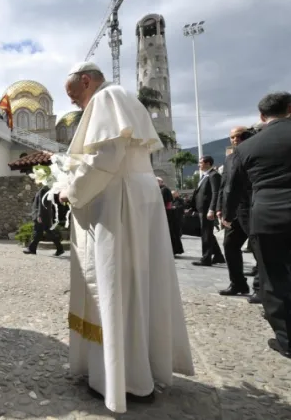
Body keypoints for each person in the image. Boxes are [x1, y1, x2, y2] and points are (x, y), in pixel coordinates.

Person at [58, 62, 194, 413]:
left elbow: (104, 159)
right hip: (136, 201)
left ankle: (125, 382)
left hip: (118, 205)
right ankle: (140, 371)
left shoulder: (106, 98)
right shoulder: (125, 99)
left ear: (86, 81)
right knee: (138, 288)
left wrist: (69, 190)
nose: (75, 104)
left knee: (116, 288)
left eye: (74, 95)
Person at [223, 91, 291, 361]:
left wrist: (227, 214)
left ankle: (288, 341)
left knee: (273, 280)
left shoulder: (246, 148)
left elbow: (234, 187)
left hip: (266, 218)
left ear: (262, 116)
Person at [216, 127, 255, 296]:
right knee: (230, 245)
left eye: (238, 136)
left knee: (258, 249)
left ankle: (261, 288)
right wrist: (220, 208)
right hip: (233, 211)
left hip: (252, 208)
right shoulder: (230, 158)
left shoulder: (254, 154)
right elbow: (224, 185)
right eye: (231, 137)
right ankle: (238, 283)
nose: (235, 139)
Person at [188, 156, 225, 266]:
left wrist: (212, 209)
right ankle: (218, 256)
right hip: (201, 209)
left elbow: (215, 193)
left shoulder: (214, 175)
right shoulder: (205, 176)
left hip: (207, 209)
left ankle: (206, 258)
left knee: (206, 234)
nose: (199, 165)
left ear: (208, 163)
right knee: (207, 233)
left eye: (201, 163)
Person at [23, 185, 64, 256]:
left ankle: (32, 249)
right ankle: (60, 249)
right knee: (46, 231)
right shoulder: (45, 189)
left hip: (42, 215)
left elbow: (42, 204)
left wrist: (39, 215)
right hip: (45, 214)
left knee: (38, 231)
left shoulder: (44, 189)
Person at [158, 177, 184, 256]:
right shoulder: (164, 189)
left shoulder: (164, 189)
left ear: (160, 182)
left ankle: (172, 251)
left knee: (170, 233)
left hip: (167, 214)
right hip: (168, 213)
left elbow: (161, 201)